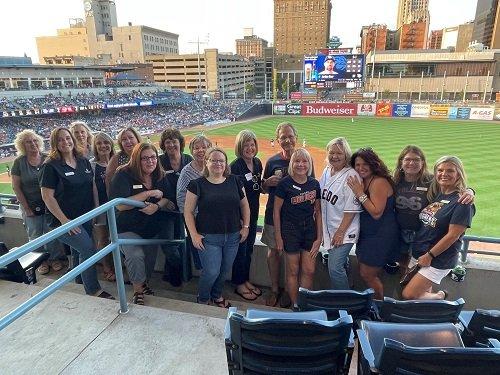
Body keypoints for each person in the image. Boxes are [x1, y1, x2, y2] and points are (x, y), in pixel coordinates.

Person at [40, 127, 113, 299]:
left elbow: (92, 186)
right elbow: (47, 196)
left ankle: (80, 279)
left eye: (67, 138)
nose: (65, 142)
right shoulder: (51, 166)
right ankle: (93, 289)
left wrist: (96, 210)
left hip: (85, 215)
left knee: (78, 249)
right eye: (60, 140)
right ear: (54, 144)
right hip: (63, 221)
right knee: (88, 249)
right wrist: (65, 221)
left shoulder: (83, 160)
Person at [109, 143, 177, 305]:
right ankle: (138, 290)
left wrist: (157, 206)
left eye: (153, 157)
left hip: (150, 227)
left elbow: (167, 197)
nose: (150, 161)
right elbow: (120, 204)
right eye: (144, 158)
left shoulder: (159, 174)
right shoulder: (123, 174)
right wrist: (148, 193)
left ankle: (143, 284)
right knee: (135, 255)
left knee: (149, 259)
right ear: (136, 159)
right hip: (127, 227)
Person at [184, 147, 250, 307]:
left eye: (221, 160)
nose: (217, 163)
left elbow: (244, 205)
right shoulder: (196, 184)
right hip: (208, 238)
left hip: (233, 236)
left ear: (226, 163)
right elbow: (188, 212)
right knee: (211, 272)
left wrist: (246, 226)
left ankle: (217, 294)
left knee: (224, 271)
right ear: (206, 162)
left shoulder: (235, 180)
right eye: (213, 160)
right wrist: (193, 234)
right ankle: (203, 297)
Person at [393, 145, 474, 275]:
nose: (411, 163)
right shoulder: (395, 180)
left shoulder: (430, 180)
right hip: (400, 232)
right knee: (404, 266)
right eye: (407, 159)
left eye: (416, 160)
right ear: (401, 162)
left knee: (417, 271)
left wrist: (470, 191)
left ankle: (421, 294)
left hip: (422, 234)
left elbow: (452, 186)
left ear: (423, 162)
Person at [402, 156, 475, 300]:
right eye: (440, 170)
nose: (444, 174)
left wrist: (430, 256)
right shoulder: (437, 193)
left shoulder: (463, 202)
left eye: (450, 171)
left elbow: (452, 236)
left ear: (458, 173)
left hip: (438, 259)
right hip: (420, 253)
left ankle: (439, 298)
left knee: (408, 295)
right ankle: (427, 319)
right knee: (418, 296)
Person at [347, 148, 399, 299]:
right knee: (368, 272)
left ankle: (378, 307)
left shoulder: (378, 182)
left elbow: (376, 213)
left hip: (380, 235)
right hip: (369, 234)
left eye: (365, 164)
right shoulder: (365, 180)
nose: (361, 168)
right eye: (357, 165)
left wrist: (359, 193)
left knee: (367, 274)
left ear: (373, 164)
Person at [274, 148, 322, 308]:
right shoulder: (284, 184)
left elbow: (318, 211)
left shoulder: (314, 184)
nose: (301, 164)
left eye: (304, 161)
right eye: (297, 161)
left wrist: (319, 237)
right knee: (293, 270)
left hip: (309, 230)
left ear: (309, 164)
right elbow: (276, 211)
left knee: (309, 270)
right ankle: (296, 305)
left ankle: (304, 304)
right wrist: (279, 237)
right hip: (290, 230)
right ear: (291, 164)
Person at [11, 130, 62, 275]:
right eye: (28, 141)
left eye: (34, 140)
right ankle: (40, 261)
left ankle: (54, 259)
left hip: (49, 205)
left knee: (51, 233)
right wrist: (26, 208)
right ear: (22, 145)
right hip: (30, 205)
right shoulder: (19, 162)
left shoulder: (47, 158)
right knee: (35, 236)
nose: (32, 144)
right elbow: (16, 186)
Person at [261, 122, 299, 308]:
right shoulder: (272, 161)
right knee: (273, 252)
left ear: (296, 138)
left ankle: (289, 290)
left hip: (294, 217)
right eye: (283, 137)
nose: (287, 140)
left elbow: (312, 187)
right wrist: (267, 182)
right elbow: (263, 188)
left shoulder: (303, 160)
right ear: (278, 140)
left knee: (291, 254)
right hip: (272, 215)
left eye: (290, 136)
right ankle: (275, 289)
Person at [319, 138, 362, 290]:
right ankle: (349, 287)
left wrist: (340, 232)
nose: (335, 156)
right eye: (332, 152)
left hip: (344, 230)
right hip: (331, 228)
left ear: (346, 156)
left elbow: (351, 209)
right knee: (342, 265)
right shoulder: (326, 171)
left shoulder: (351, 175)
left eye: (339, 153)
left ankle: (345, 304)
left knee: (335, 268)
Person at [230, 130, 263, 301]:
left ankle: (245, 279)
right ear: (240, 147)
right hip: (241, 217)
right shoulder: (235, 167)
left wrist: (267, 183)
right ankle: (239, 283)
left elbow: (257, 187)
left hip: (254, 212)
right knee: (240, 251)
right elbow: (234, 197)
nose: (250, 148)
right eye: (246, 145)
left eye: (252, 144)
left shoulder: (257, 163)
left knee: (249, 249)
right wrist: (242, 221)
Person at [158, 127, 193, 286]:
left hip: (186, 210)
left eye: (174, 141)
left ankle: (173, 276)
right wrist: (165, 200)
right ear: (163, 145)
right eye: (167, 142)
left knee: (182, 242)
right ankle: (178, 273)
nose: (171, 145)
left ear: (180, 143)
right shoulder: (159, 161)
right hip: (166, 210)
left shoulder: (188, 159)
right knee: (170, 246)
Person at [176, 134, 212, 270]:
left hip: (215, 219)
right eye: (196, 148)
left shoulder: (215, 167)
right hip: (196, 220)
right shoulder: (186, 173)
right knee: (203, 257)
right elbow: (181, 199)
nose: (200, 150)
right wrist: (192, 217)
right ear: (191, 151)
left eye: (204, 147)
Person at [90, 132, 116, 282]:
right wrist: (94, 210)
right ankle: (106, 267)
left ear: (111, 144)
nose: (103, 146)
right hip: (101, 208)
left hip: (118, 207)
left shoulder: (118, 160)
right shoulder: (92, 165)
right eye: (99, 143)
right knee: (103, 238)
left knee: (119, 237)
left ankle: (119, 265)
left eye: (106, 142)